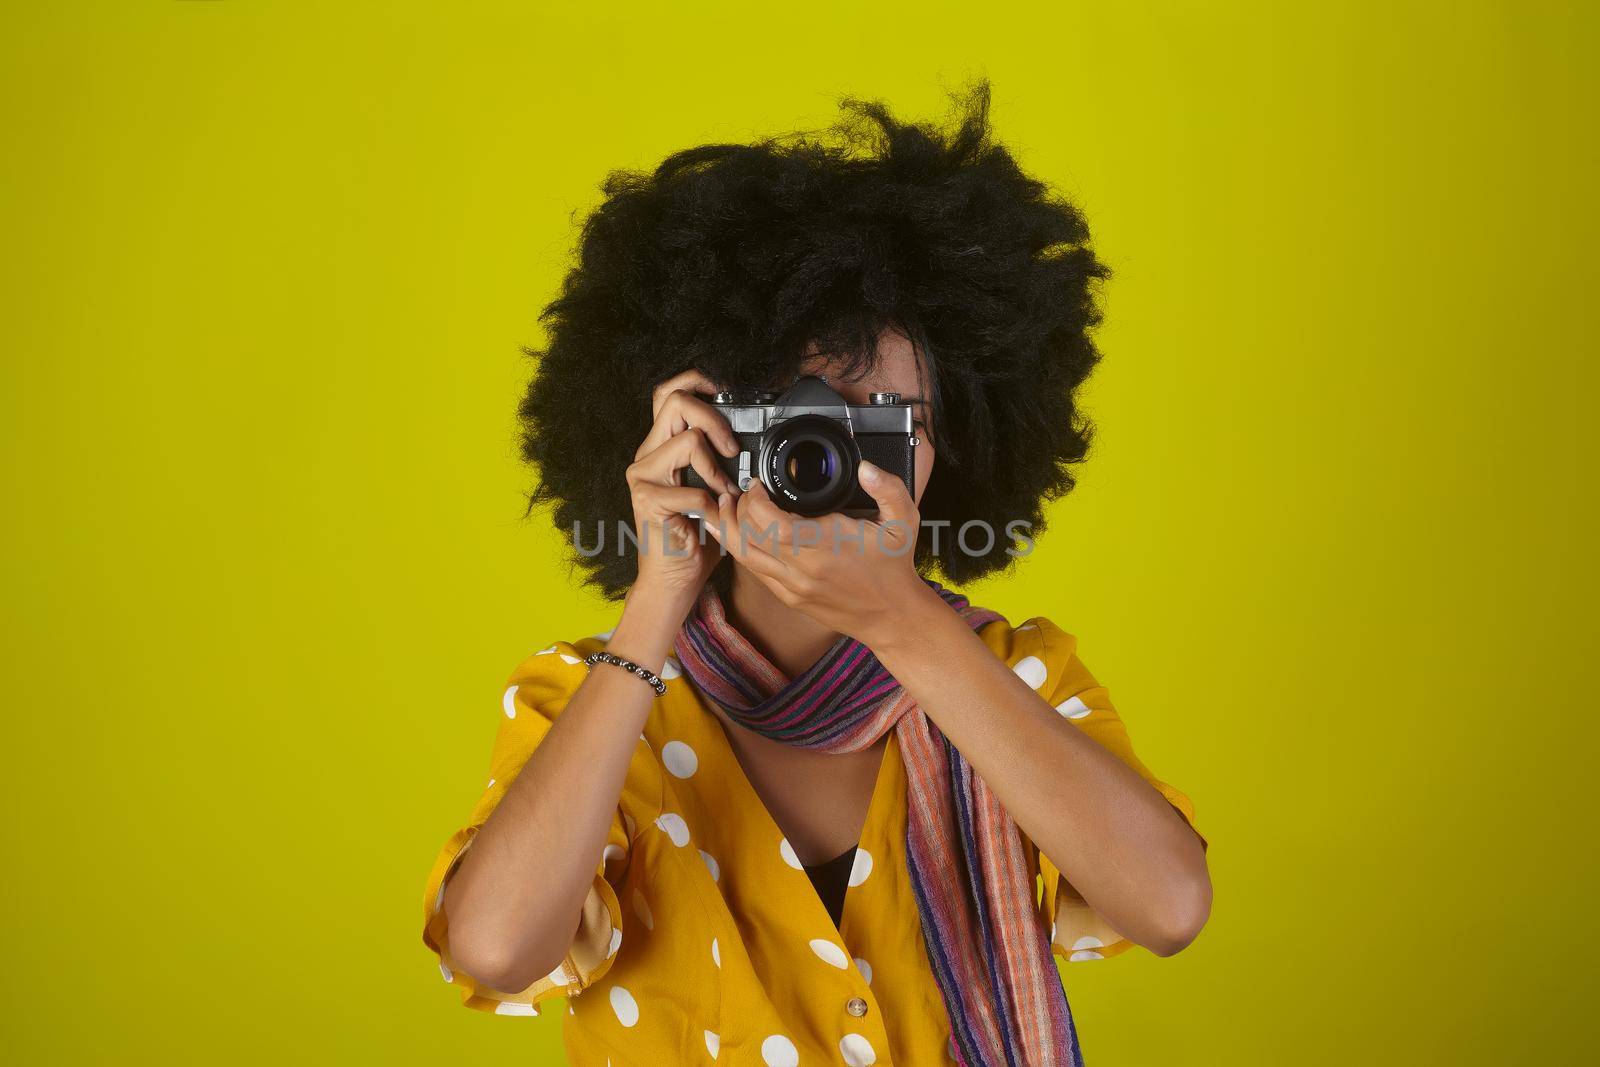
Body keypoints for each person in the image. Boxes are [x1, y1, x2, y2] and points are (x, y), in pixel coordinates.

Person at [420, 82, 1211, 1067]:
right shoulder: (588, 699)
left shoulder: (1016, 676)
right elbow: (495, 948)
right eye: (787, 418)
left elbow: (1170, 904)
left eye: (880, 418)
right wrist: (655, 597)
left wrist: (904, 624)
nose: (821, 453)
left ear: (947, 447)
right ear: (691, 427)